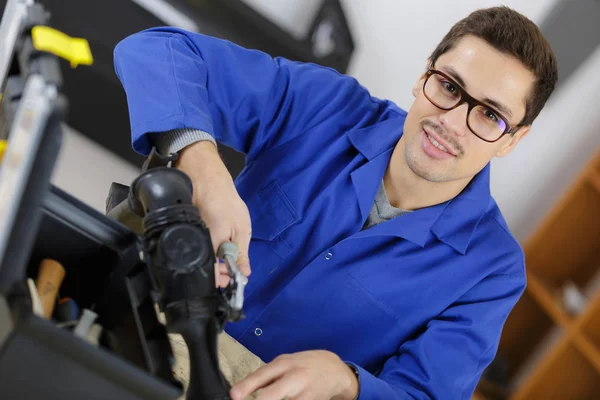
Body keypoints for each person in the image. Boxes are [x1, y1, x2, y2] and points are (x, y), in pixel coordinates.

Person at [113, 6, 557, 399]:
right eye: (449, 87)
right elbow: (155, 51)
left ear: (513, 140)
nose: (452, 123)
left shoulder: (492, 271)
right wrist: (203, 165)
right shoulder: (327, 107)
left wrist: (348, 382)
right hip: (143, 331)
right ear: (424, 77)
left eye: (490, 115)